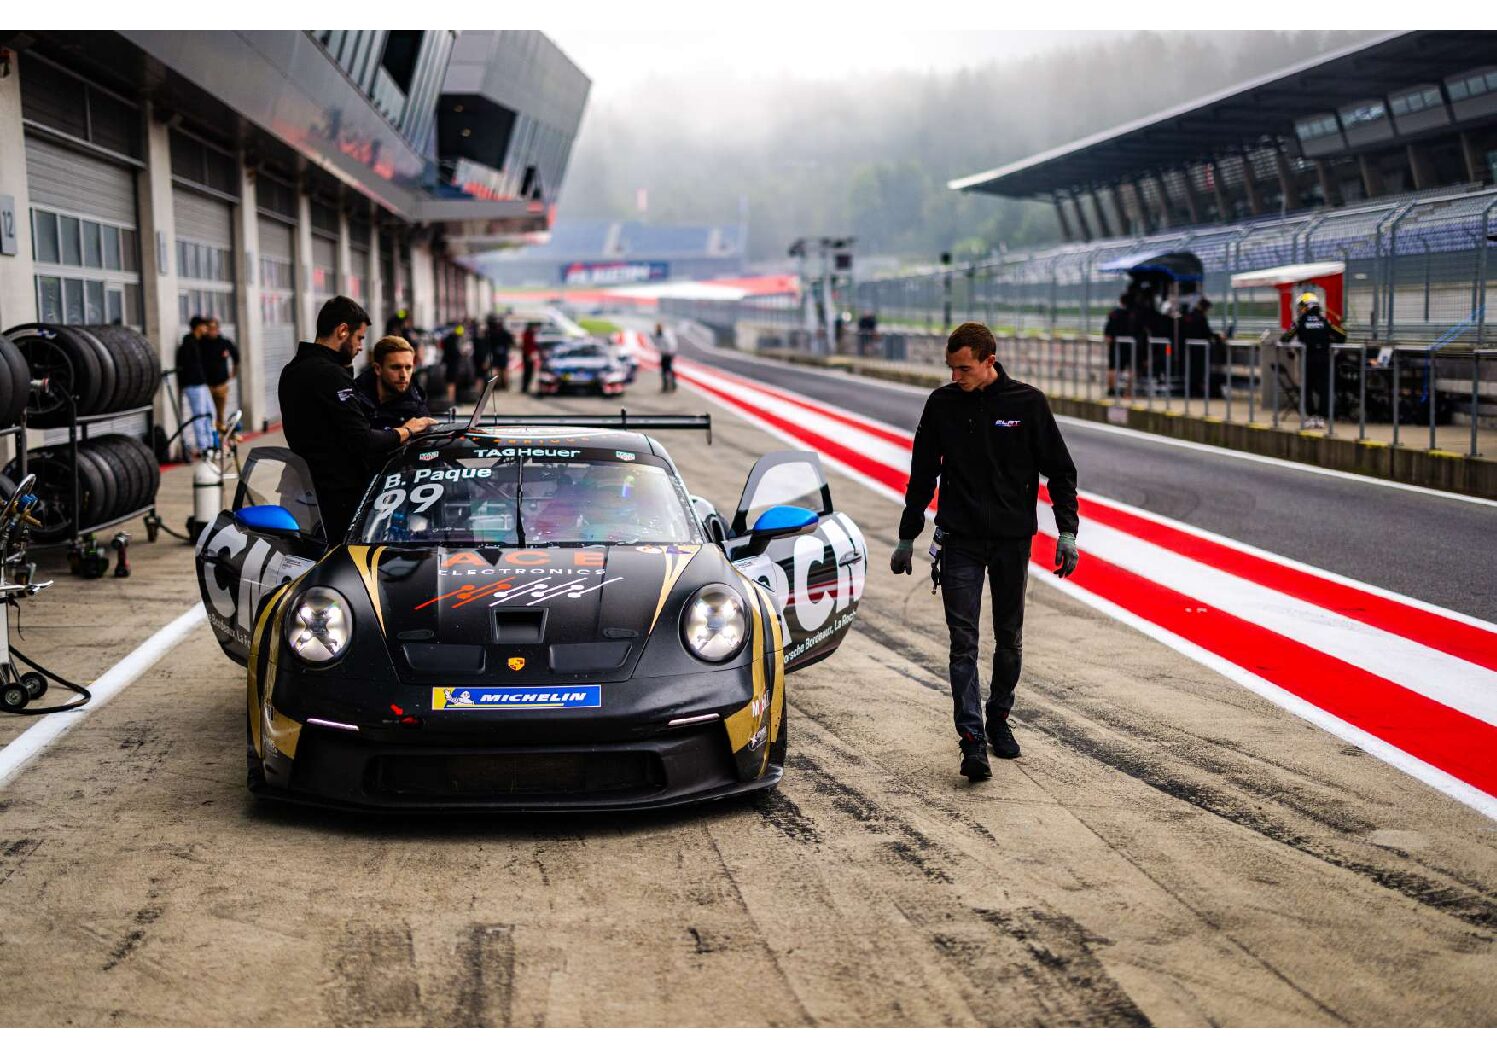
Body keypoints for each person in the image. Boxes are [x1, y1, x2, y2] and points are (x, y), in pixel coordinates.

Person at [890, 321, 1080, 784]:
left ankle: (998, 718)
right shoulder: (941, 405)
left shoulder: (1027, 404)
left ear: (989, 361)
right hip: (960, 541)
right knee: (963, 643)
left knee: (1010, 639)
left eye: (964, 368)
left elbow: (1060, 471)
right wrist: (907, 535)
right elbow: (921, 474)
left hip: (1014, 541)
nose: (956, 377)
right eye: (951, 368)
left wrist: (1067, 532)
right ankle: (971, 740)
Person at [279, 296, 435, 543]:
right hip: (334, 498)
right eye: (359, 338)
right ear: (342, 331)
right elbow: (363, 440)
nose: (361, 346)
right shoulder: (330, 375)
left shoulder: (292, 370)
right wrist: (407, 430)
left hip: (301, 488)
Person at [1282, 291, 1346, 429]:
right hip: (1324, 359)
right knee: (1324, 388)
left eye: (1301, 307)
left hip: (1308, 359)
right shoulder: (1325, 321)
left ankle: (1310, 416)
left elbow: (1285, 338)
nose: (1300, 310)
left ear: (1307, 306)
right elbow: (1342, 336)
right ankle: (1322, 417)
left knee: (1307, 388)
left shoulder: (1300, 322)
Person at [354, 334, 430, 430]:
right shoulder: (354, 397)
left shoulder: (416, 405)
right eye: (396, 367)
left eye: (408, 367)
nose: (403, 375)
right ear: (378, 369)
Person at [175, 316, 214, 456]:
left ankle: (211, 444)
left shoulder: (199, 342)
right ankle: (204, 448)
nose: (206, 328)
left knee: (210, 413)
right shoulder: (188, 344)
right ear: (198, 326)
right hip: (194, 385)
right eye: (204, 325)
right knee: (200, 416)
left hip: (202, 384)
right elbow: (187, 366)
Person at [200, 317, 240, 431]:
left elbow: (235, 355)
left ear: (217, 329)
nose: (212, 331)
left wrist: (234, 371)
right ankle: (210, 434)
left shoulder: (224, 342)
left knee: (220, 413)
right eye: (210, 328)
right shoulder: (202, 342)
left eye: (214, 328)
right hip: (207, 385)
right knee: (208, 413)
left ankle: (220, 435)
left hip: (221, 384)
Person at [1179, 297, 1220, 400]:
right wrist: (1218, 337)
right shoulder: (1201, 318)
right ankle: (1197, 391)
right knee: (1199, 371)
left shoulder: (1189, 316)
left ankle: (1191, 391)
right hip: (1200, 350)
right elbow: (1206, 333)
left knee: (1191, 370)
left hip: (1188, 348)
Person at [1102, 294, 1131, 398]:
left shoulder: (1114, 313)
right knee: (1131, 369)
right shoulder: (1132, 314)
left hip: (1115, 344)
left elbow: (1107, 332)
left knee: (1113, 367)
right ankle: (1128, 393)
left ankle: (1111, 390)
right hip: (1129, 345)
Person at [485, 313, 513, 390]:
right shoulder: (503, 332)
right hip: (500, 353)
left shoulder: (492, 333)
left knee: (499, 370)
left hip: (498, 353)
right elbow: (511, 342)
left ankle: (500, 385)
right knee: (500, 370)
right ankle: (502, 385)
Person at [655, 321, 678, 393]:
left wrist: (668, 352)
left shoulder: (666, 335)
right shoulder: (661, 334)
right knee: (665, 370)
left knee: (667, 370)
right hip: (665, 354)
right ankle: (666, 386)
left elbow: (671, 344)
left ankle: (671, 385)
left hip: (668, 354)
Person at [520, 322, 540, 394]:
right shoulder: (528, 334)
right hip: (528, 355)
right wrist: (530, 355)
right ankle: (525, 387)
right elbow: (528, 346)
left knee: (529, 372)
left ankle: (526, 387)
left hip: (529, 355)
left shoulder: (529, 334)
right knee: (528, 372)